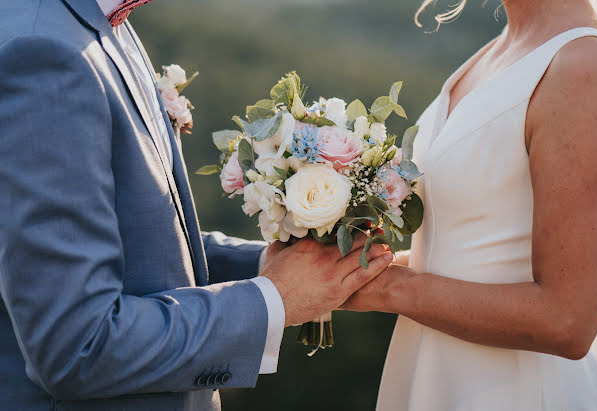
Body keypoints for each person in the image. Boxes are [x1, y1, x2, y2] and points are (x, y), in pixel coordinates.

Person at [0, 1, 393, 410]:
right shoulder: (44, 53)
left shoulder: (103, 24)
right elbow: (78, 346)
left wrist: (277, 267)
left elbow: (131, 243)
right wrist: (271, 299)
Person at [342, 0, 597, 409]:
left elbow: (567, 322)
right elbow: (467, 253)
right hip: (431, 372)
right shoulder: (497, 50)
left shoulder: (586, 66)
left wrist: (391, 289)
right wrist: (352, 268)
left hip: (514, 391)